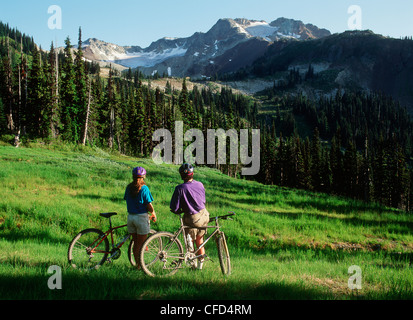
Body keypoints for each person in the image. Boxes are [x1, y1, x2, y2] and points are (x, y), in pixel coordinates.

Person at [170, 163, 209, 270]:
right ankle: (200, 267)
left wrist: (177, 210)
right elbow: (203, 200)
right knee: (199, 239)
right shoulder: (200, 184)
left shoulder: (180, 188)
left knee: (189, 240)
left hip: (193, 218)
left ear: (181, 175)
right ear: (192, 174)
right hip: (204, 215)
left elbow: (174, 207)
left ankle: (192, 264)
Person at [124, 166, 157, 269]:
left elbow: (127, 200)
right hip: (141, 218)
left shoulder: (129, 187)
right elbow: (148, 205)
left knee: (136, 242)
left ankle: (137, 264)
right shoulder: (144, 188)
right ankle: (139, 266)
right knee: (141, 244)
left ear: (133, 176)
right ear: (144, 177)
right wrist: (153, 213)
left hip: (131, 218)